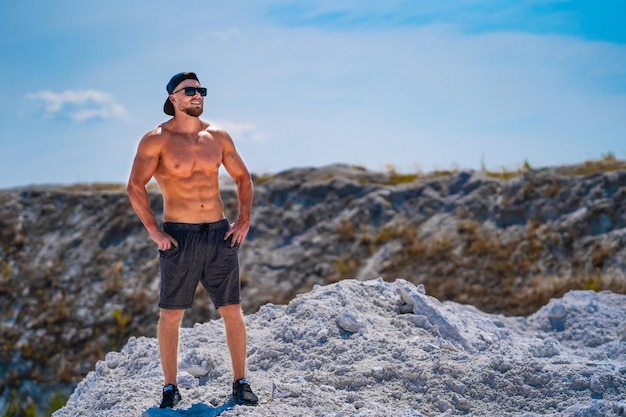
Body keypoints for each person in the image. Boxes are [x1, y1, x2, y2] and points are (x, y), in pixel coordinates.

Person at [127, 72, 258, 409]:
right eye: (189, 91)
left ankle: (240, 382)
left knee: (232, 310)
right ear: (173, 97)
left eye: (201, 90)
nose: (197, 95)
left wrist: (243, 219)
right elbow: (135, 186)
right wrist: (155, 231)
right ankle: (170, 387)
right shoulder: (155, 140)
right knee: (171, 314)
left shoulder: (218, 136)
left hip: (219, 233)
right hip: (179, 237)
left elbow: (243, 178)